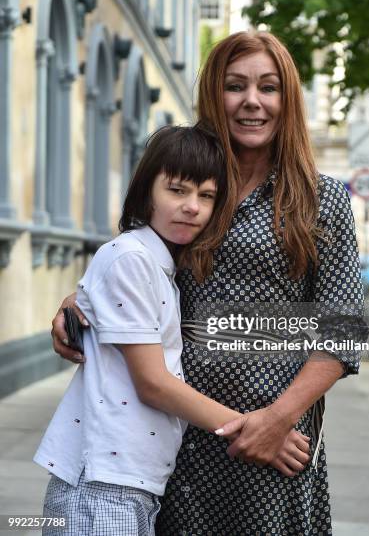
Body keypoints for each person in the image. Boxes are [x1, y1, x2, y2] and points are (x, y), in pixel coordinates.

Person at [52, 32, 365, 535]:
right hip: (177, 431)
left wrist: (277, 419)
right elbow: (136, 263)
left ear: (288, 98)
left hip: (271, 439)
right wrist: (81, 302)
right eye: (234, 85)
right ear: (213, 95)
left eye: (268, 87)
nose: (251, 102)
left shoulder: (321, 198)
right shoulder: (189, 179)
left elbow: (341, 331)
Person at [36, 124, 310, 536]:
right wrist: (255, 429)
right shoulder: (133, 258)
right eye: (177, 190)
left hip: (133, 484)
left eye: (206, 197)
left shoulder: (166, 266)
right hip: (102, 485)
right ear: (147, 190)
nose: (192, 207)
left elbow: (342, 328)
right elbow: (153, 383)